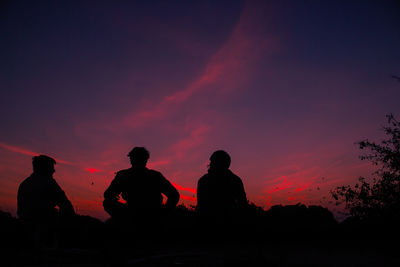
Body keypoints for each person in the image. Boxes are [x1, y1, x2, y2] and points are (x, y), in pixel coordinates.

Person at [103, 147, 180, 223]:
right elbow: (174, 195)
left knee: (107, 203)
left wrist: (164, 213)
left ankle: (126, 223)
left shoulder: (124, 175)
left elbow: (108, 194)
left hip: (147, 213)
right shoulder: (155, 175)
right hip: (147, 213)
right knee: (108, 202)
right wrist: (165, 212)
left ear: (131, 159)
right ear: (146, 160)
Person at [17, 155, 75, 248]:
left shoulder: (24, 184)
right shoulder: (48, 182)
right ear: (44, 169)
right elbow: (65, 204)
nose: (54, 171)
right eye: (51, 168)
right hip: (44, 230)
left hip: (26, 229)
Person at [197, 150, 248, 224]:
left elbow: (243, 204)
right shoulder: (235, 180)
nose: (210, 165)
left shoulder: (204, 181)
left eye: (213, 163)